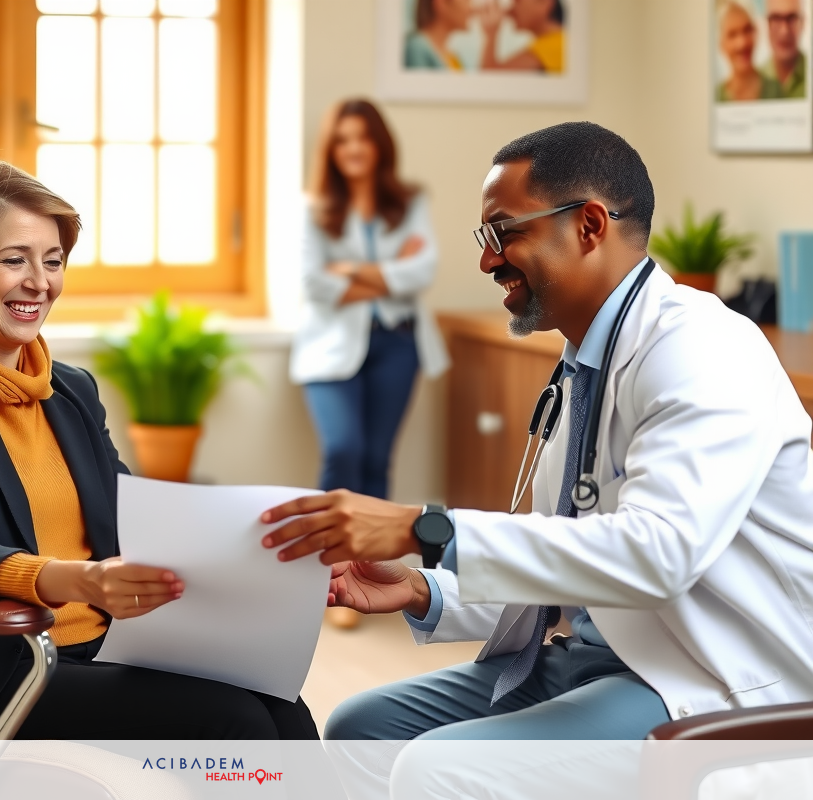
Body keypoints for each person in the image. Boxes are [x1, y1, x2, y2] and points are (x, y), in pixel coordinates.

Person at [263, 122, 813, 796]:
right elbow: (572, 559)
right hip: (601, 656)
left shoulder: (703, 350)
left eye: (503, 232)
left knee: (436, 769)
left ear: (587, 226)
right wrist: (421, 585)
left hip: (703, 677)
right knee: (360, 728)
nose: (487, 261)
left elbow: (656, 554)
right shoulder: (582, 363)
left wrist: (422, 527)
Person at [0, 158, 319, 741]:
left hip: (106, 643)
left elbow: (133, 515)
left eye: (53, 261)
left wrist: (278, 551)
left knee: (279, 702)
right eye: (14, 259)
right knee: (233, 723)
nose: (40, 282)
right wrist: (86, 581)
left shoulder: (69, 389)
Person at [291, 99, 449, 504]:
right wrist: (394, 269)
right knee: (343, 451)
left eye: (363, 138)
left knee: (377, 461)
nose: (354, 148)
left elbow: (424, 271)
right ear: (331, 150)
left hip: (398, 344)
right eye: (343, 141)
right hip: (330, 345)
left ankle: (370, 566)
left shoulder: (411, 200)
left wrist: (348, 270)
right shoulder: (313, 209)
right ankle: (322, 564)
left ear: (380, 144)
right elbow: (313, 283)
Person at [717, 0, 783, 101]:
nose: (742, 43)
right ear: (721, 44)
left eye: (747, 30)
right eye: (732, 34)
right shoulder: (715, 96)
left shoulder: (776, 90)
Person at [479, 0, 566, 74]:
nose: (511, 9)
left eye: (518, 1)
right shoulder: (554, 43)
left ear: (543, 2)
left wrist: (491, 34)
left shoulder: (558, 44)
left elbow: (490, 80)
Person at [405, 0, 470, 70]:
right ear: (441, 3)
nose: (471, 9)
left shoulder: (453, 56)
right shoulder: (417, 47)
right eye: (466, 1)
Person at [764, 0, 807, 99]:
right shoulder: (754, 80)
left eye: (792, 18)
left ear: (803, 22)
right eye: (776, 18)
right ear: (767, 24)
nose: (784, 31)